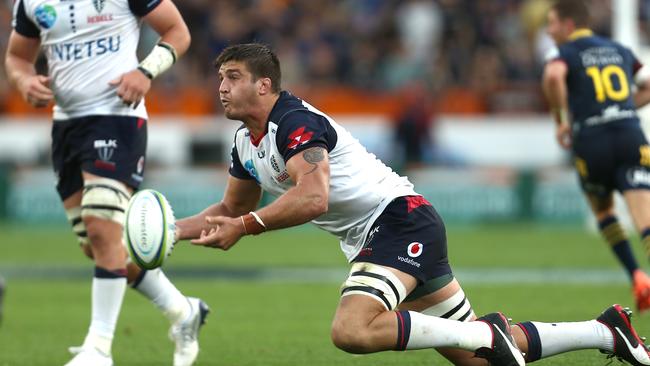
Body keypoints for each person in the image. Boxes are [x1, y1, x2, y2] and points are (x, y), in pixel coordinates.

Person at [174, 42, 650, 366]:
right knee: (477, 356)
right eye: (220, 77)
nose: (221, 87)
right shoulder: (243, 142)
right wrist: (169, 231)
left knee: (352, 330)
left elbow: (313, 197)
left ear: (264, 85)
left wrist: (249, 226)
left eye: (233, 77)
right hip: (385, 234)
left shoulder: (295, 121)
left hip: (399, 221)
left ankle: (490, 333)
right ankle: (606, 331)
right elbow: (229, 209)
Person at [5, 1, 208, 365]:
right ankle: (183, 311)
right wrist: (24, 81)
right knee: (98, 245)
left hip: (117, 117)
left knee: (102, 228)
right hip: (66, 125)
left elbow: (178, 32)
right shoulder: (31, 2)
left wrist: (146, 71)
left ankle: (98, 349)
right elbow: (17, 58)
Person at [542, 0, 650, 313]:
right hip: (630, 136)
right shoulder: (618, 49)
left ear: (568, 24)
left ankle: (637, 276)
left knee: (603, 211)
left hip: (592, 139)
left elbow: (552, 77)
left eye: (551, 24)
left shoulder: (565, 52)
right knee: (645, 221)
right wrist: (625, 108)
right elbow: (647, 86)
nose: (549, 32)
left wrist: (560, 119)